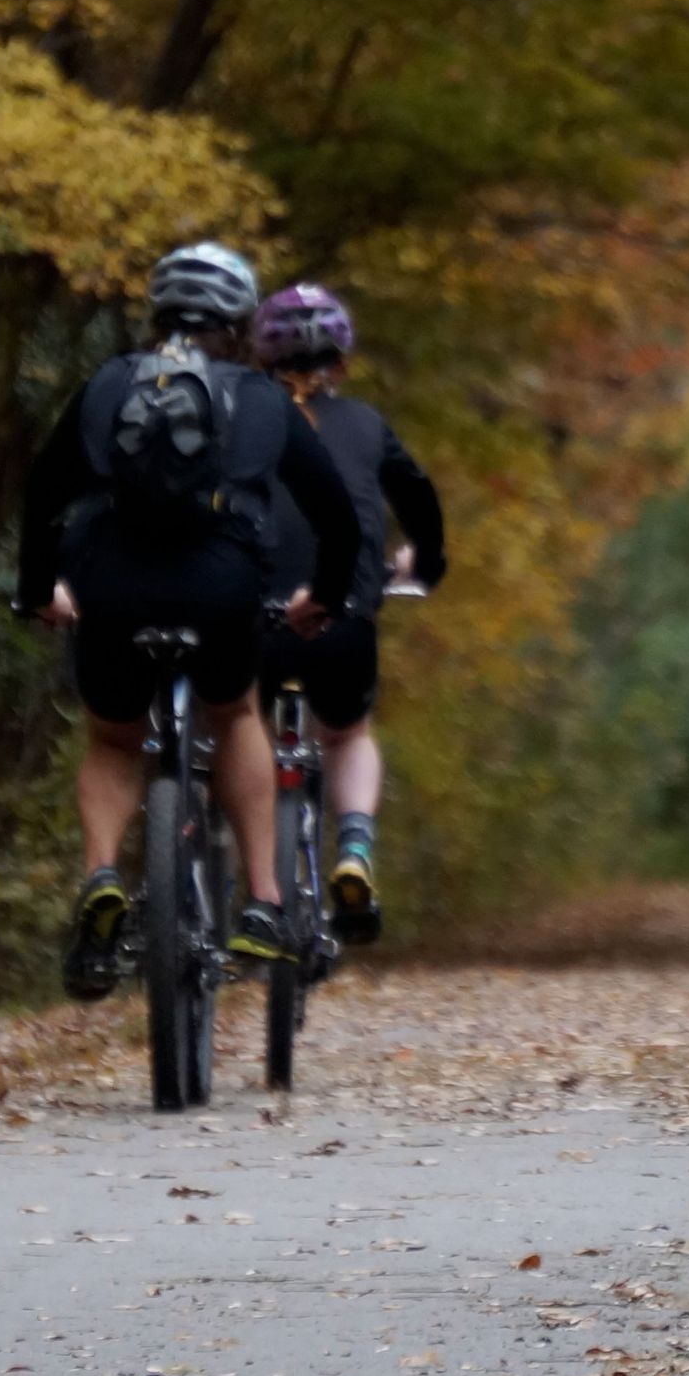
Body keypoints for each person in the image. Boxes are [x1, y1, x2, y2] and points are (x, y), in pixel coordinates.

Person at [16, 242, 363, 1000]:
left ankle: (104, 876)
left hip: (110, 581)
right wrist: (323, 598)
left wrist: (39, 589)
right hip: (220, 584)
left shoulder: (109, 385)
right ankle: (265, 901)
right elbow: (337, 518)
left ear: (157, 313)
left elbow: (42, 495)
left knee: (113, 736)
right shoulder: (263, 399)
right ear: (239, 322)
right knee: (235, 711)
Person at [246, 282, 448, 944]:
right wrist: (426, 562)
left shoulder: (236, 420)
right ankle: (354, 847)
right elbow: (416, 496)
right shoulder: (365, 424)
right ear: (342, 358)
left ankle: (244, 881)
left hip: (255, 622)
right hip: (343, 621)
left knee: (236, 726)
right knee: (348, 734)